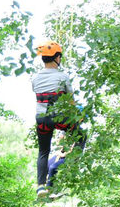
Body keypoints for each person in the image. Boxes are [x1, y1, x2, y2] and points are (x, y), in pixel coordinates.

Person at [32, 40, 85, 198]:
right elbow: (71, 101)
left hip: (42, 119)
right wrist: (77, 118)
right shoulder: (63, 77)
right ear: (56, 57)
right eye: (60, 56)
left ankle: (41, 186)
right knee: (81, 136)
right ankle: (70, 166)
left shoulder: (35, 78)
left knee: (43, 151)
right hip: (59, 117)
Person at [46, 134, 72, 198]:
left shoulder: (73, 137)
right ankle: (44, 186)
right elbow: (58, 146)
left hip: (67, 158)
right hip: (59, 155)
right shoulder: (62, 136)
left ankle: (49, 190)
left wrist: (62, 154)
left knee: (53, 167)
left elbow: (70, 151)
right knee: (45, 165)